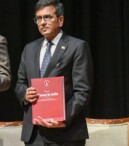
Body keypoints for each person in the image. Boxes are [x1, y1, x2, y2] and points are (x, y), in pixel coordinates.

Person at [15, 0, 93, 145]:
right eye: (38, 18)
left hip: (65, 133)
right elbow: (20, 83)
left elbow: (82, 91)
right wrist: (25, 94)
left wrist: (62, 118)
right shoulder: (29, 49)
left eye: (48, 17)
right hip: (34, 134)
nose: (42, 22)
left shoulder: (77, 47)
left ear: (60, 20)